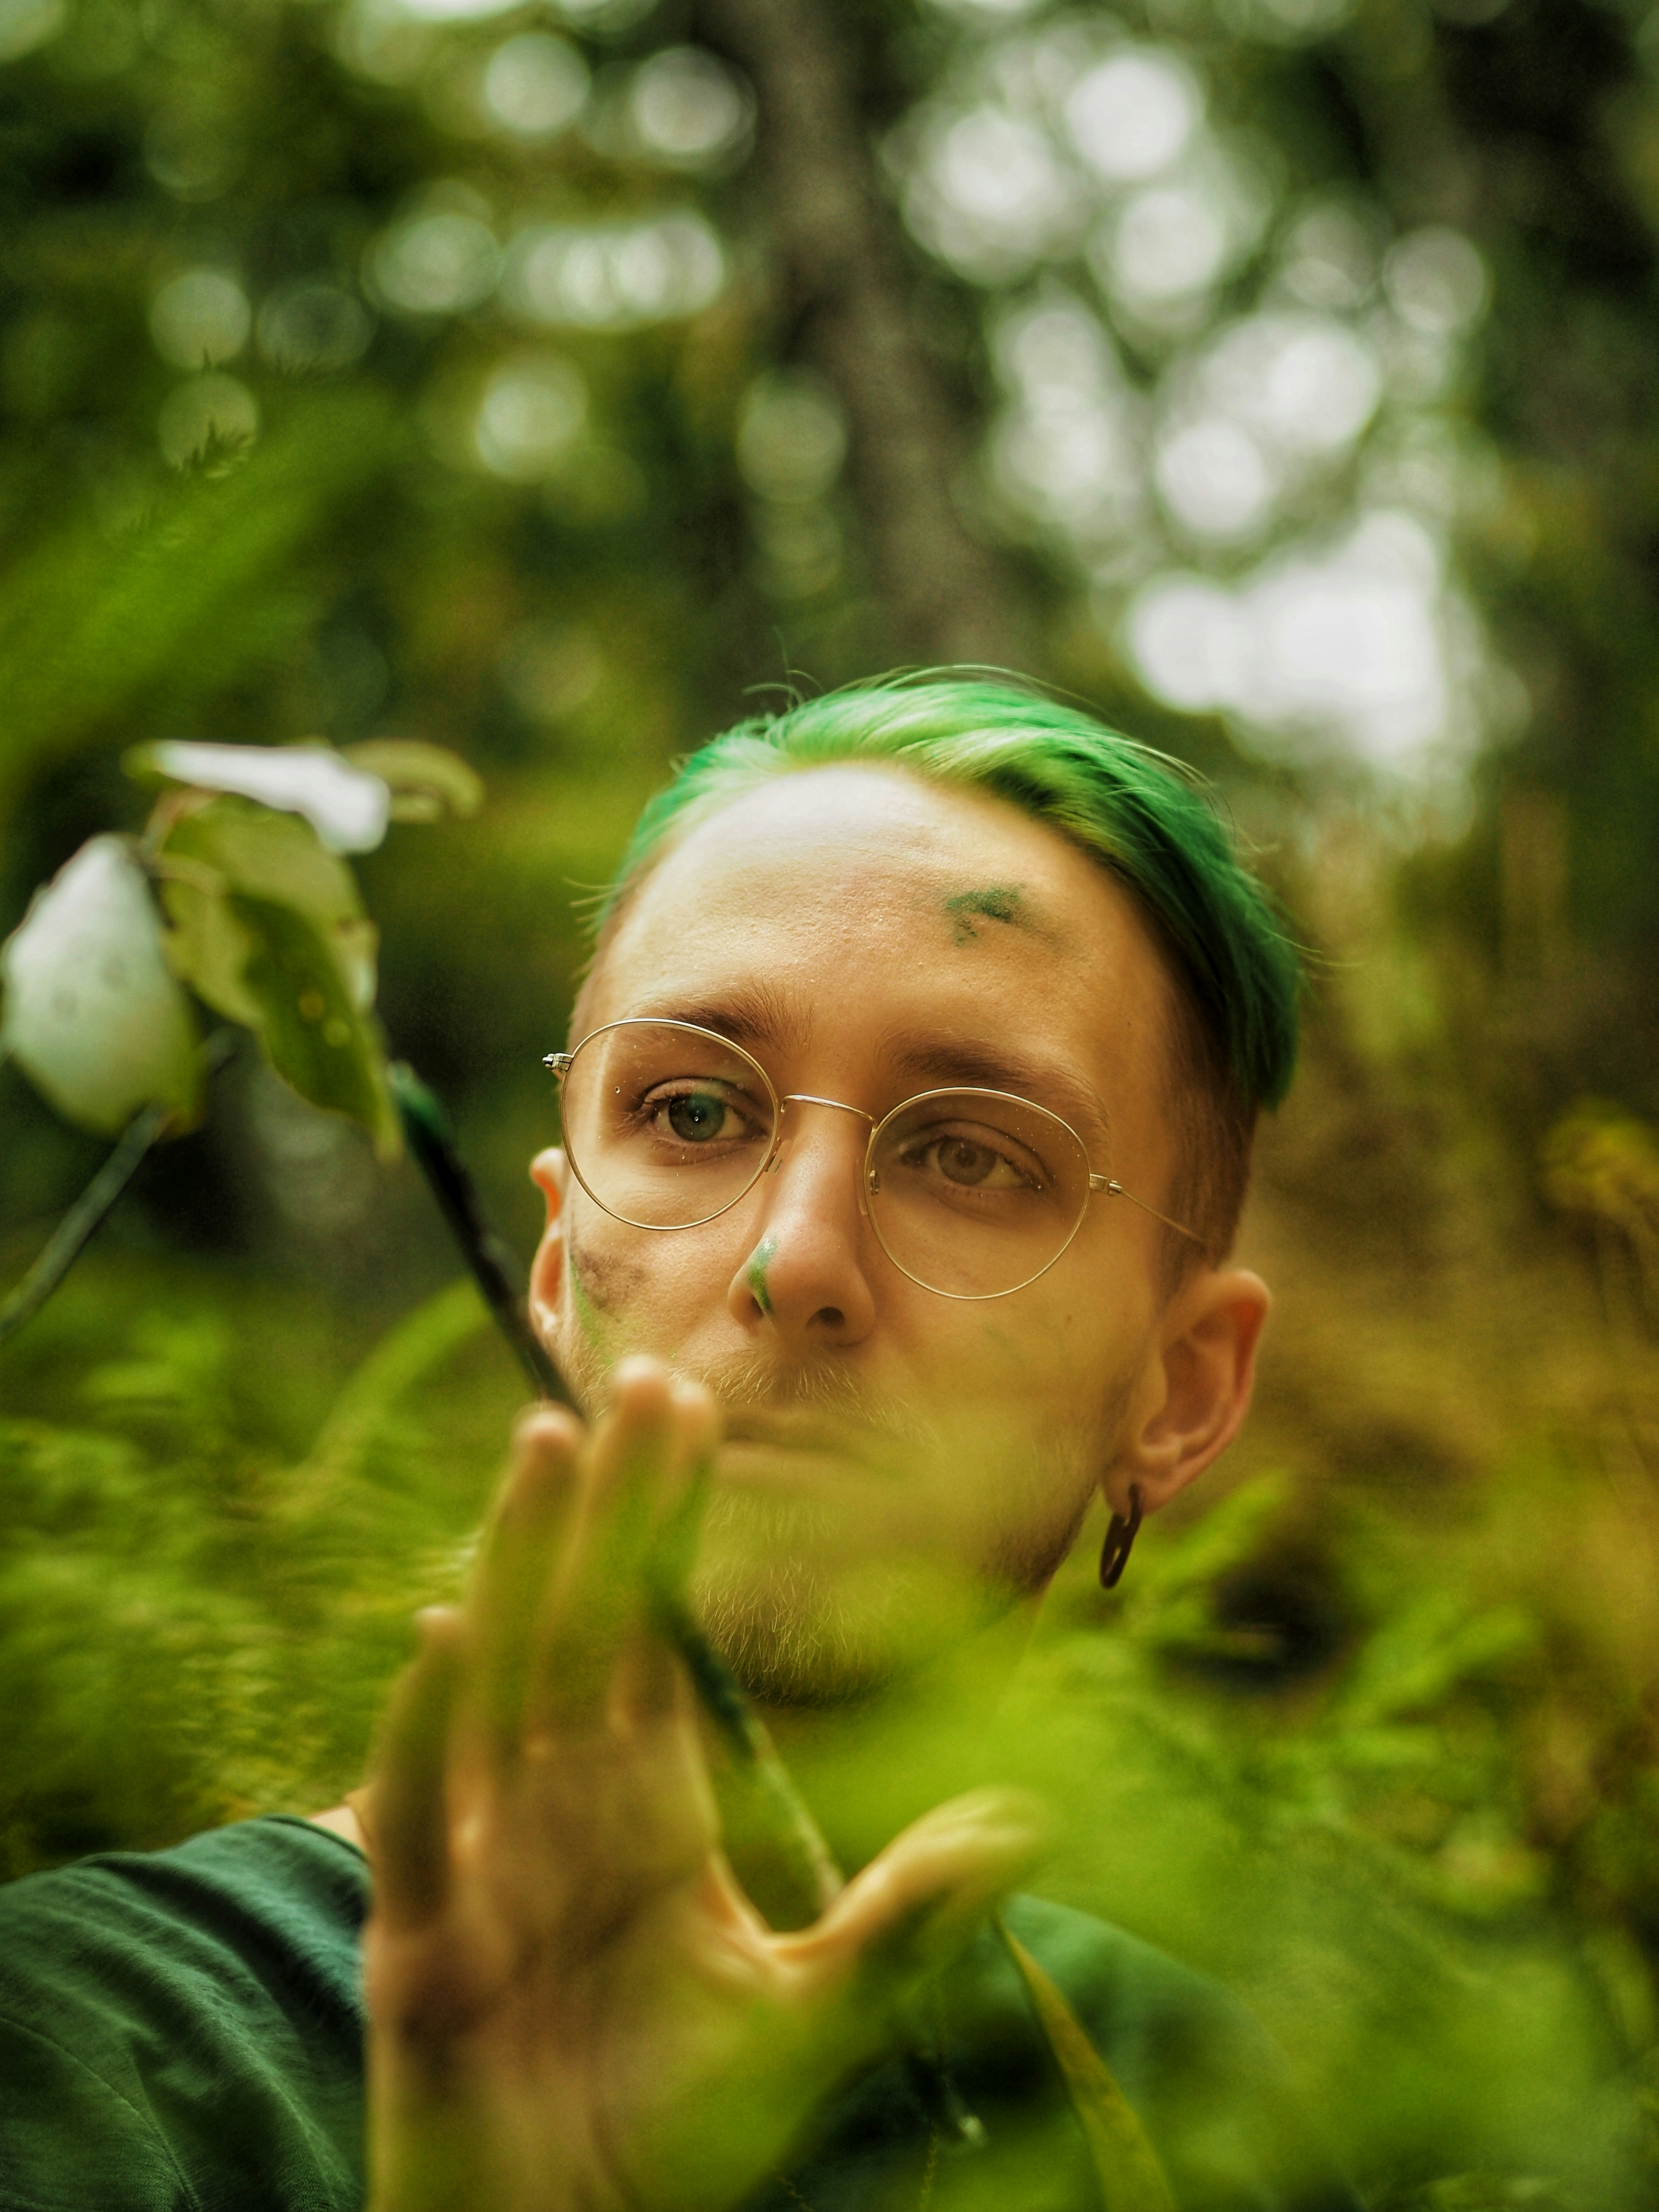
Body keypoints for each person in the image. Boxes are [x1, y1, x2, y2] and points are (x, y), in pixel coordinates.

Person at [0, 679, 1359, 2212]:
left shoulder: (1196, 2101)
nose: (799, 1259)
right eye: (697, 1112)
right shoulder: (85, 2058)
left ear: (1177, 1394)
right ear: (551, 1266)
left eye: (973, 1154)